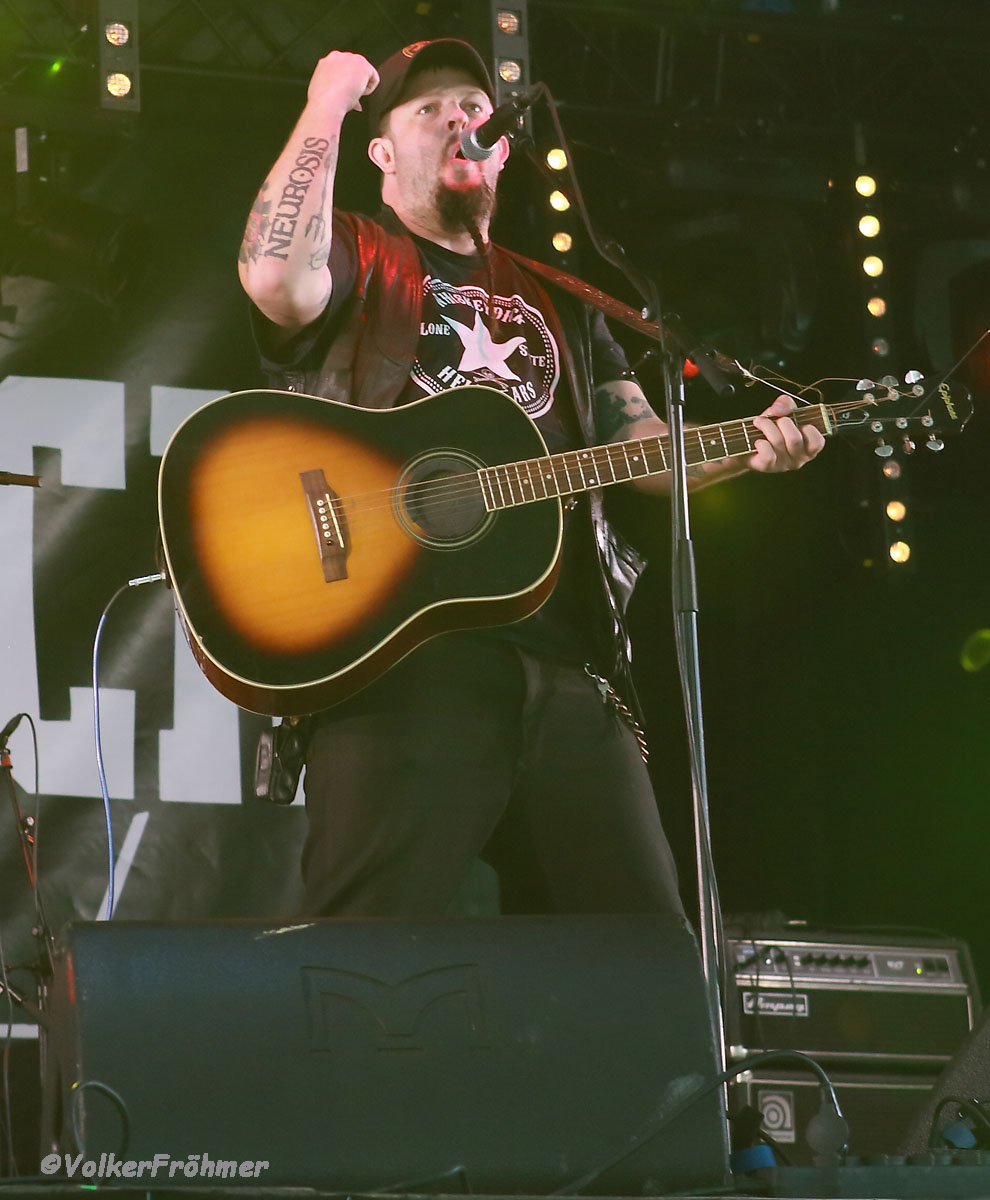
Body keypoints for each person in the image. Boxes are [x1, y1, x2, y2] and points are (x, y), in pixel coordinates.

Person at [237, 38, 825, 919]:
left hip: (568, 668)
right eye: (428, 110)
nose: (459, 120)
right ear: (382, 151)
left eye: (474, 108)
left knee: (641, 957)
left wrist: (748, 445)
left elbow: (641, 444)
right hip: (403, 658)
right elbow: (275, 278)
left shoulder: (565, 300)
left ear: (503, 147)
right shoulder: (358, 254)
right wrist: (327, 99)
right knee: (369, 953)